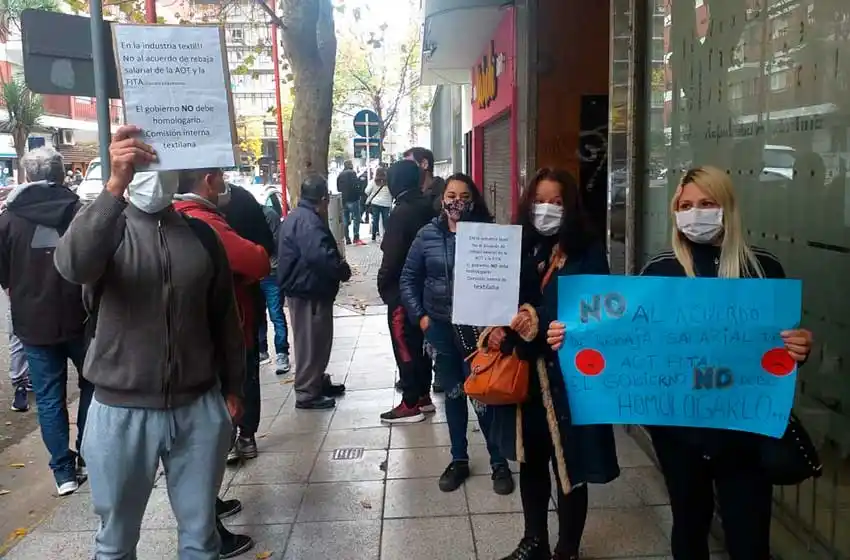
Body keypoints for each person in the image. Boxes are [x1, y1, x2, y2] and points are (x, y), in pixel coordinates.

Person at [550, 166, 814, 560]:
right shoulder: (660, 271)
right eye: (686, 205)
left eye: (706, 204)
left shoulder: (763, 270)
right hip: (679, 431)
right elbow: (625, 338)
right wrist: (569, 334)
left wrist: (799, 348)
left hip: (743, 431)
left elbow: (774, 355)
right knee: (689, 526)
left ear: (727, 207)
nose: (696, 213)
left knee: (749, 535)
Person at [54, 126, 246, 559]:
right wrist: (115, 186)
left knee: (201, 538)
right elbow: (72, 264)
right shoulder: (107, 228)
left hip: (197, 407)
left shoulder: (201, 236)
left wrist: (234, 388)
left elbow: (224, 318)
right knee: (115, 542)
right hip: (119, 412)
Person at [491, 168, 620, 560]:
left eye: (557, 201)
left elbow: (601, 310)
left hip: (570, 379)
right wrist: (495, 329)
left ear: (570, 206)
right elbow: (496, 302)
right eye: (540, 200)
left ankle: (567, 548)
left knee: (569, 468)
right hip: (525, 377)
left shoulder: (588, 249)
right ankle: (535, 541)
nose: (547, 208)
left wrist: (537, 319)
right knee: (531, 462)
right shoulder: (514, 245)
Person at [399, 172, 514, 495]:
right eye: (451, 195)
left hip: (478, 330)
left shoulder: (488, 236)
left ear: (473, 200)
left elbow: (504, 281)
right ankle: (459, 458)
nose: (456, 202)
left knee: (485, 395)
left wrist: (498, 322)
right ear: (442, 198)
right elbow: (408, 279)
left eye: (464, 196)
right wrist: (420, 318)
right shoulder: (426, 235)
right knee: (453, 395)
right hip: (438, 327)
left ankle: (499, 462)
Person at [0, 146, 92, 495]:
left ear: (26, 176)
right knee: (93, 384)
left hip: (33, 324)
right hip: (79, 317)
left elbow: (3, 273)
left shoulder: (8, 219)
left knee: (50, 397)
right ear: (59, 174)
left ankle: (63, 473)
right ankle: (87, 452)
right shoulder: (79, 213)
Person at [174, 173, 271, 468]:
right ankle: (237, 438)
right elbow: (257, 259)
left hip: (185, 335)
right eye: (220, 176)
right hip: (228, 326)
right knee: (238, 381)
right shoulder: (204, 222)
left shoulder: (167, 219)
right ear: (209, 180)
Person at [277, 175, 350, 410]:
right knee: (311, 342)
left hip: (306, 288)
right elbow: (319, 256)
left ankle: (316, 381)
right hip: (307, 290)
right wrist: (340, 269)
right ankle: (307, 391)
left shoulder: (300, 216)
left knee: (316, 340)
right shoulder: (308, 221)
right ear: (324, 199)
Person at [377, 160, 436, 424]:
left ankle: (410, 402)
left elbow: (391, 256)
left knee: (404, 344)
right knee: (421, 344)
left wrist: (385, 288)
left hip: (402, 291)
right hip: (426, 290)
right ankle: (423, 394)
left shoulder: (401, 213)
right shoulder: (428, 206)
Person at [257, 190, 291, 374]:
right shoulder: (254, 216)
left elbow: (276, 243)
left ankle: (281, 352)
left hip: (270, 271)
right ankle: (262, 349)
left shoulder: (267, 216)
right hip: (257, 272)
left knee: (275, 313)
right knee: (259, 313)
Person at [337, 161, 364, 245]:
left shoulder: (340, 175)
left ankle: (347, 238)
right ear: (350, 165)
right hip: (353, 199)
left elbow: (338, 188)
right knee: (356, 218)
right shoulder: (352, 173)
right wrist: (359, 194)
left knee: (345, 219)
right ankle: (356, 237)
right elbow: (356, 185)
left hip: (344, 200)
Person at [364, 167, 391, 241]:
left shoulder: (373, 181)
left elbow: (366, 191)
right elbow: (392, 192)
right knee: (386, 220)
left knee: (375, 219)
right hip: (386, 203)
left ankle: (373, 235)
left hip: (375, 203)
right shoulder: (388, 182)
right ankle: (387, 235)